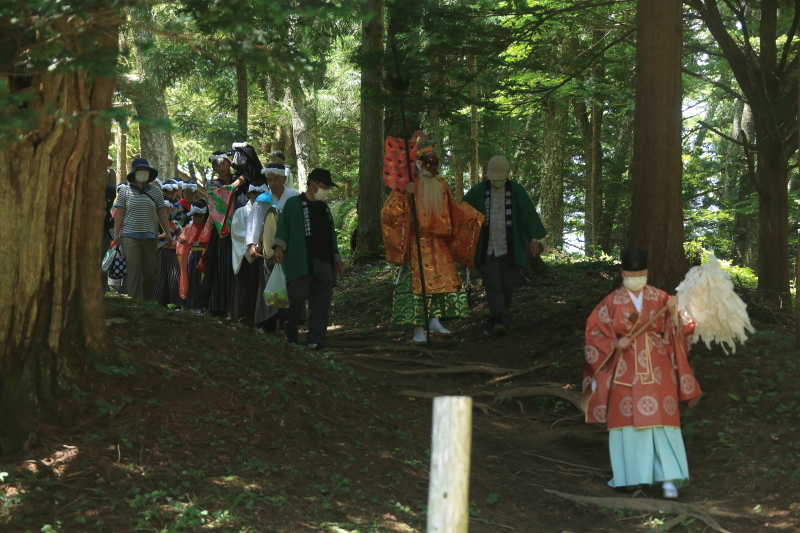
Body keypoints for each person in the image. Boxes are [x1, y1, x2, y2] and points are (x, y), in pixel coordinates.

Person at [582, 249, 702, 500]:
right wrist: (615, 343)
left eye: (640, 274)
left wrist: (673, 311)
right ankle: (632, 480)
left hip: (658, 368)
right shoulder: (610, 302)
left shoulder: (661, 298)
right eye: (630, 274)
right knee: (628, 425)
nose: (635, 277)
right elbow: (594, 334)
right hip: (624, 368)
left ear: (646, 274)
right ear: (622, 273)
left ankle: (668, 480)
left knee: (663, 424)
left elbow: (684, 327)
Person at [381, 140, 484, 344]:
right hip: (415, 244)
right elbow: (388, 214)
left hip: (437, 243)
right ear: (418, 162)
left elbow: (453, 211)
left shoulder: (441, 185)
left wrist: (473, 218)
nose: (432, 165)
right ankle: (418, 330)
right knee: (416, 288)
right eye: (427, 161)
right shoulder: (406, 186)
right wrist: (405, 196)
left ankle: (435, 320)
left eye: (434, 161)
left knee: (440, 283)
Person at [462, 155, 547, 336]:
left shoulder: (516, 191)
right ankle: (503, 320)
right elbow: (463, 212)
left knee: (507, 286)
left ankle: (495, 321)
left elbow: (528, 216)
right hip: (486, 248)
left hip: (511, 248)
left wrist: (533, 239)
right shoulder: (477, 191)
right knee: (493, 285)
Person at [273, 168, 344, 350]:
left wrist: (337, 257)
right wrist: (279, 248)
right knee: (296, 299)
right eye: (324, 186)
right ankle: (290, 334)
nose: (326, 190)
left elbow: (331, 235)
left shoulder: (324, 208)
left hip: (324, 262)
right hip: (300, 261)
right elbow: (283, 227)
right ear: (313, 184)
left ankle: (315, 340)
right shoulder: (293, 204)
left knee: (321, 304)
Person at [112, 158, 173, 300]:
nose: (142, 173)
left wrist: (168, 233)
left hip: (151, 236)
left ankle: (146, 301)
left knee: (150, 272)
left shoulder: (156, 191)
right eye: (139, 170)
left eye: (145, 170)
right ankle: (136, 304)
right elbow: (119, 213)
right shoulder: (125, 191)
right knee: (134, 271)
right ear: (134, 173)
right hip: (129, 236)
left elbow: (162, 213)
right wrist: (116, 234)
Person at [177, 200, 211, 314]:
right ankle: (190, 304)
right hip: (192, 256)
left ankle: (202, 305)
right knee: (192, 279)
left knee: (201, 280)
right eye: (194, 215)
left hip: (204, 255)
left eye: (199, 215)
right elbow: (181, 238)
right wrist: (182, 241)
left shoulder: (208, 227)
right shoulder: (188, 227)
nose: (196, 218)